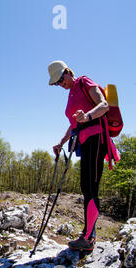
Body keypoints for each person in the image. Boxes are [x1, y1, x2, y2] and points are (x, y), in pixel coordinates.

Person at [48, 60, 119, 251]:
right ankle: (88, 235)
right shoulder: (71, 93)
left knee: (90, 186)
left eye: (60, 79)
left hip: (97, 139)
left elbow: (103, 105)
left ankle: (88, 238)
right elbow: (74, 124)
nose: (60, 84)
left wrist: (87, 116)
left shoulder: (83, 82)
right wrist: (61, 143)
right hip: (85, 141)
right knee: (86, 186)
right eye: (56, 83)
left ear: (68, 72)